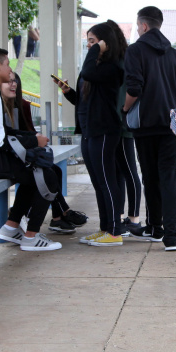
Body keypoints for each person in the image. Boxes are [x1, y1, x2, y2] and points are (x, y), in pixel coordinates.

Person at [0, 47, 61, 251]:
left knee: (36, 170)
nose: (10, 69)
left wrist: (32, 138)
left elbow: (3, 131)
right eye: (7, 64)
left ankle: (11, 227)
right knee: (46, 174)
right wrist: (34, 142)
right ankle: (31, 237)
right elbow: (1, 142)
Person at [122, 6, 176, 251]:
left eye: (137, 26)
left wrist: (124, 109)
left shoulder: (135, 51)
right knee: (168, 179)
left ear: (143, 26)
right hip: (170, 126)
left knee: (150, 177)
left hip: (145, 125)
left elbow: (134, 88)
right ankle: (170, 236)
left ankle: (155, 228)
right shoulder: (174, 54)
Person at [56, 22, 126, 246]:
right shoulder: (95, 67)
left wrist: (97, 49)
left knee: (107, 181)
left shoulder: (112, 67)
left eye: (93, 41)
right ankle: (105, 228)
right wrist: (68, 92)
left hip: (104, 130)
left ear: (105, 43)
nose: (89, 46)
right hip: (89, 130)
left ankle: (114, 231)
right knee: (98, 182)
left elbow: (87, 72)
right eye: (88, 42)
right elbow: (84, 101)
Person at [1, 72, 88, 234]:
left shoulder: (22, 105)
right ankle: (43, 224)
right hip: (7, 158)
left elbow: (25, 132)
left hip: (20, 154)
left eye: (14, 82)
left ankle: (42, 222)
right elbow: (5, 138)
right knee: (46, 174)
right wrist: (34, 141)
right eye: (8, 82)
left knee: (51, 170)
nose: (13, 85)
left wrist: (36, 141)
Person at [108, 20, 142, 235]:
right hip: (117, 123)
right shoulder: (119, 59)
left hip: (123, 124)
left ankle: (134, 218)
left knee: (129, 171)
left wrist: (124, 109)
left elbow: (132, 89)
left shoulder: (123, 60)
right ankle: (122, 216)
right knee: (120, 172)